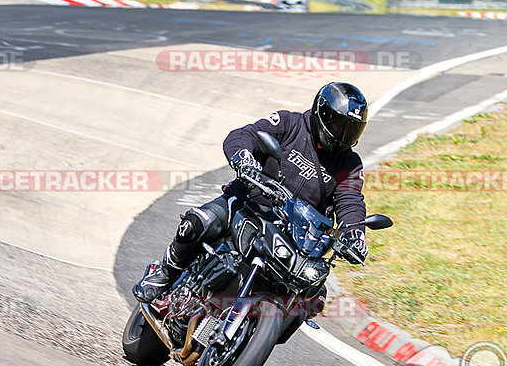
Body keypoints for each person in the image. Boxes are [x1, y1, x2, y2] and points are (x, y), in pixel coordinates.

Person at [133, 81, 370, 304]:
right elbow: (244, 135)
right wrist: (244, 159)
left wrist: (355, 233)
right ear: (323, 115)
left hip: (296, 236)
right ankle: (165, 270)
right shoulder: (289, 124)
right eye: (339, 126)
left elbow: (350, 200)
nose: (342, 135)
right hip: (249, 202)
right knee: (197, 223)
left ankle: (263, 326)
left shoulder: (349, 162)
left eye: (351, 130)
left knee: (314, 294)